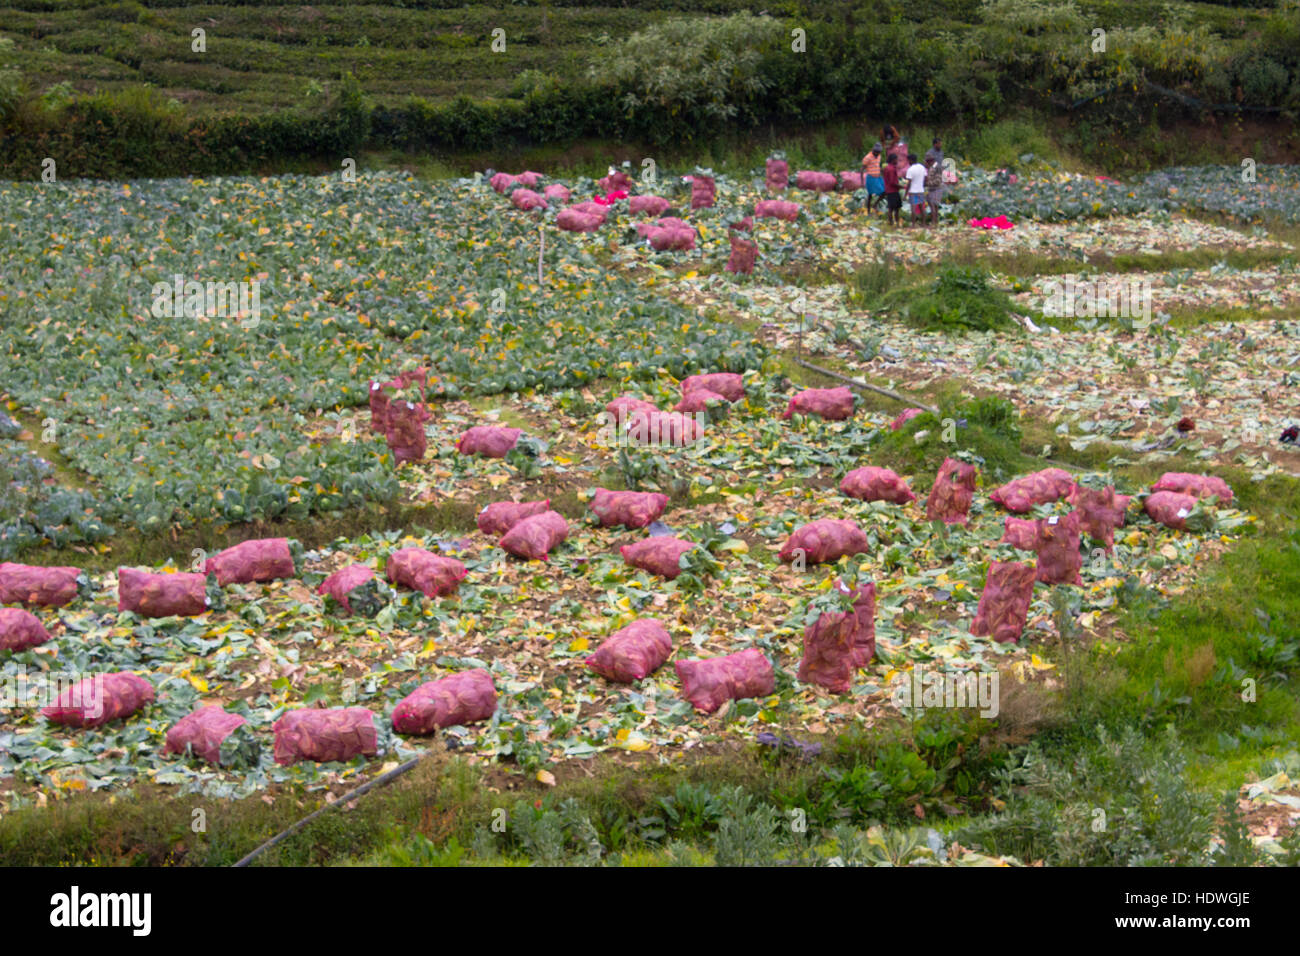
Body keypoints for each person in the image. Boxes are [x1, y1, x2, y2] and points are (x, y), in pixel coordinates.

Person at [861, 143, 885, 213]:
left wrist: (882, 171)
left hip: (878, 177)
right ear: (873, 150)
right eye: (876, 152)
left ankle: (875, 204)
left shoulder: (879, 156)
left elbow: (876, 165)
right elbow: (862, 169)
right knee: (870, 195)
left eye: (879, 152)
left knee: (885, 191)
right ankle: (868, 212)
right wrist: (862, 181)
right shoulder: (868, 157)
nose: (877, 153)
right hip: (871, 178)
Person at [905, 152, 927, 227]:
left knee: (913, 209)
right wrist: (922, 185)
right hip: (921, 191)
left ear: (910, 160)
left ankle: (913, 225)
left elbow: (909, 183)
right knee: (922, 208)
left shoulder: (910, 169)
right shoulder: (922, 167)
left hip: (913, 191)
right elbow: (925, 178)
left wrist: (905, 194)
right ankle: (923, 223)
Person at [881, 155, 902, 226]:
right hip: (893, 190)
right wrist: (901, 186)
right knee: (894, 208)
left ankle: (893, 222)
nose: (897, 161)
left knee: (892, 208)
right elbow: (892, 182)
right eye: (896, 159)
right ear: (893, 160)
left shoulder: (887, 168)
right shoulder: (891, 169)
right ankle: (894, 223)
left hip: (889, 190)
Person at [924, 156, 944, 226]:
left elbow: (938, 180)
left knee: (933, 205)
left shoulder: (937, 168)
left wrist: (927, 183)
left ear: (930, 162)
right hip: (933, 189)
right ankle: (935, 222)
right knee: (934, 206)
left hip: (936, 189)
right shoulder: (933, 167)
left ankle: (933, 222)